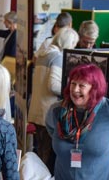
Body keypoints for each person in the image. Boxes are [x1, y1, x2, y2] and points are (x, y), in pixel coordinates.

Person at [29, 27, 80, 169]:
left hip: (37, 109)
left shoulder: (43, 55)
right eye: (74, 44)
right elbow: (53, 85)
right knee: (46, 156)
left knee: (40, 152)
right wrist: (72, 90)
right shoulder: (57, 57)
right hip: (48, 111)